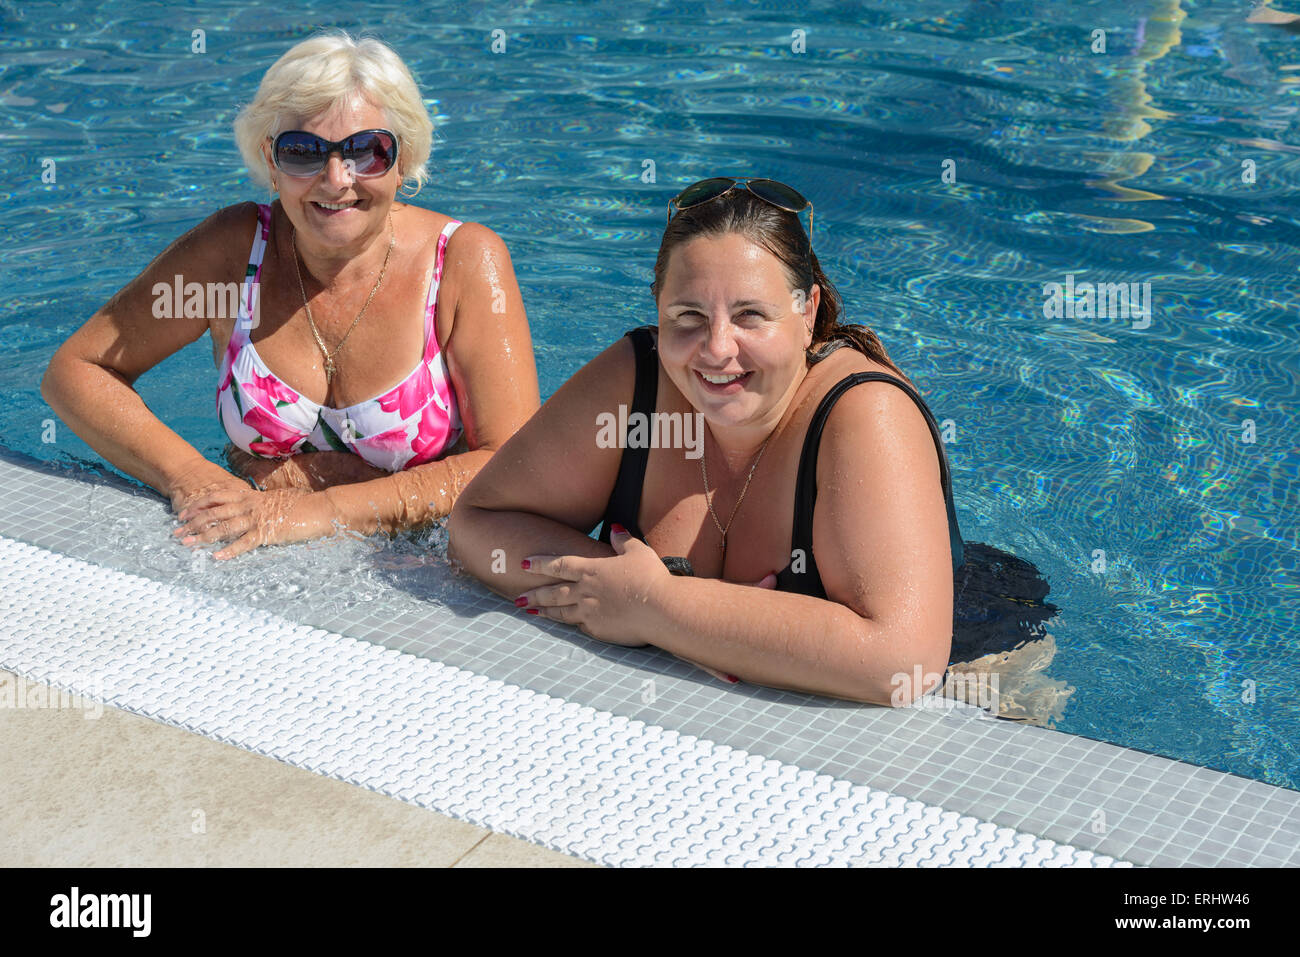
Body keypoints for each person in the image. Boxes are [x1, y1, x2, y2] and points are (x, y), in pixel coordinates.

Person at [448, 177, 1062, 708]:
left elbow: (901, 662)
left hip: (972, 653)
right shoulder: (636, 381)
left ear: (807, 311)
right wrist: (635, 597)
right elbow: (478, 521)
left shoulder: (864, 414)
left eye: (750, 316)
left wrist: (661, 608)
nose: (716, 350)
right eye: (687, 317)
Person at [40, 31, 538, 560]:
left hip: (419, 559)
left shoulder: (463, 262)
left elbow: (515, 466)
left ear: (404, 156)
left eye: (368, 151)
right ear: (270, 161)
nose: (335, 179)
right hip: (255, 543)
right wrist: (194, 477)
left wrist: (318, 511)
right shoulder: (234, 256)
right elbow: (76, 370)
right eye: (302, 152)